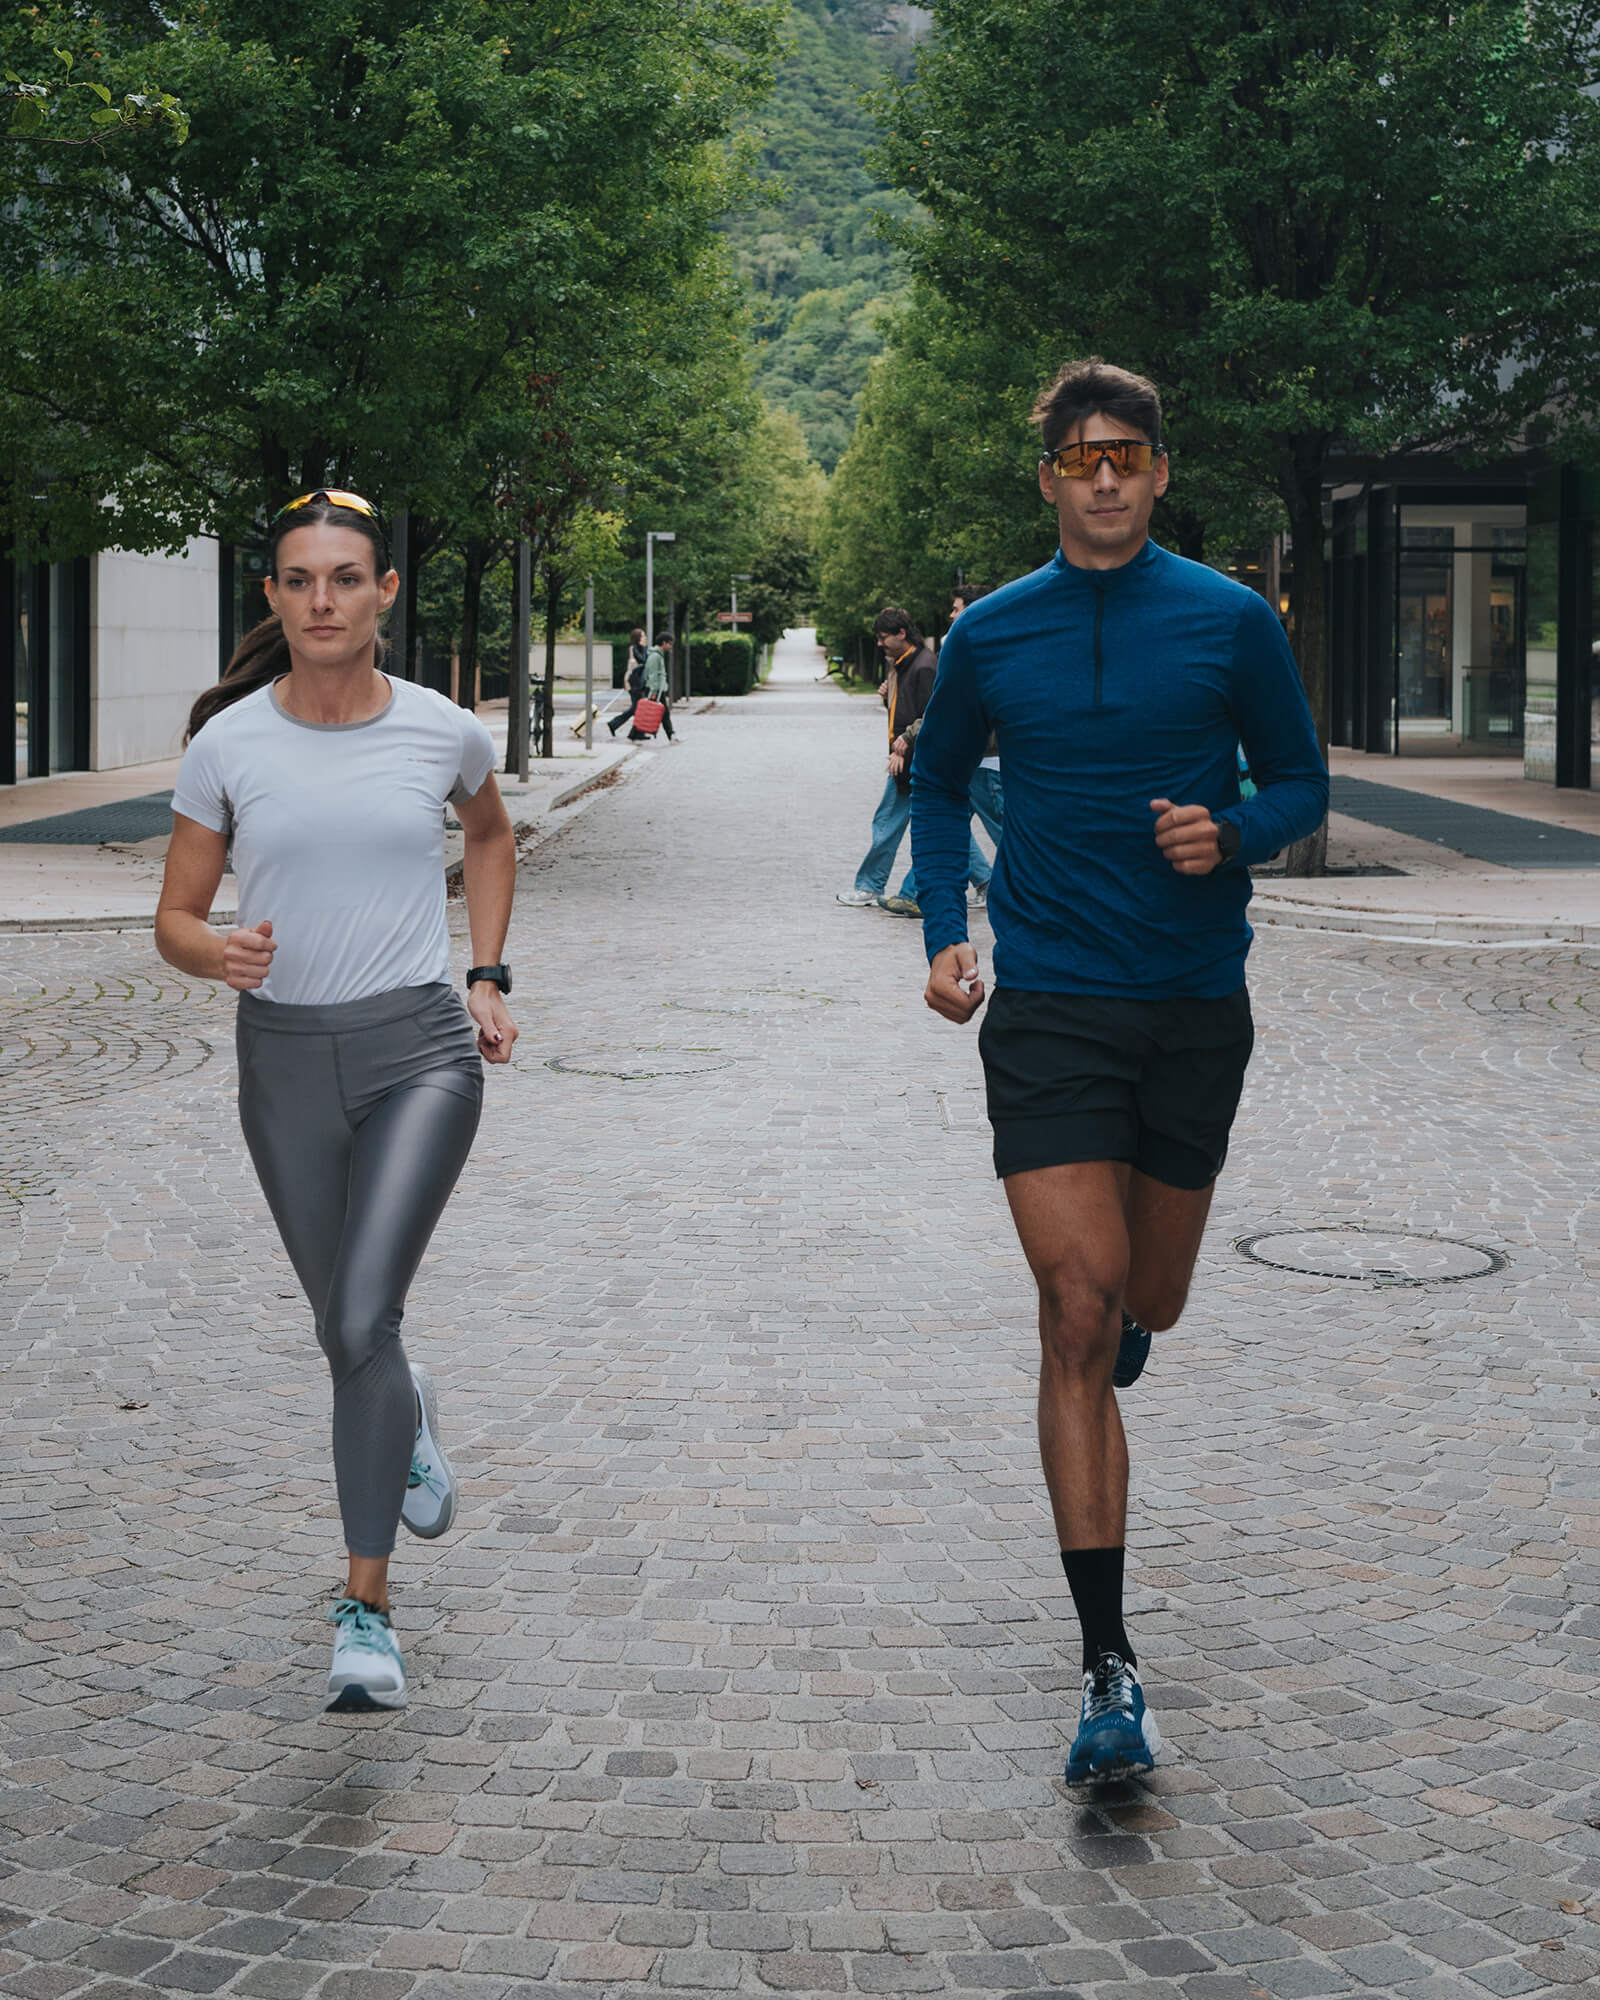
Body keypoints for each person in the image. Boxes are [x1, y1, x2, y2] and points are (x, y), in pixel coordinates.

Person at [910, 360, 1326, 1784]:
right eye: (1079, 456)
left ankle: (1138, 1320)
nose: (1103, 477)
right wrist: (945, 931)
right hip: (1052, 1010)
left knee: (1151, 1296)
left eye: (1128, 455)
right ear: (1048, 478)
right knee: (1076, 1313)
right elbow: (938, 775)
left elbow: (1301, 781)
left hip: (1194, 1008)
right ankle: (1110, 1668)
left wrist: (1238, 833)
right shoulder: (995, 634)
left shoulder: (1229, 619)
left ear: (1158, 473)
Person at [155, 490, 519, 1714]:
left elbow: (490, 835)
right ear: (272, 596)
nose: (322, 600)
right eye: (300, 580)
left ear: (383, 594)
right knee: (347, 1331)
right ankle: (404, 1407)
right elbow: (173, 915)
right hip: (284, 1061)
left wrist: (486, 971)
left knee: (362, 1309)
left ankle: (365, 1609)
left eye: (345, 578)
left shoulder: (440, 729)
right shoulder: (228, 748)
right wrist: (216, 954)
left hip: (420, 1047)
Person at [836, 607, 987, 915]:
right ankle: (987, 882)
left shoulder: (923, 667)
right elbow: (908, 709)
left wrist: (902, 745)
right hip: (911, 761)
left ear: (901, 634)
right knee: (943, 827)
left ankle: (869, 886)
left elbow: (932, 714)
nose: (880, 644)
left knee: (888, 823)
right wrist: (886, 696)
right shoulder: (906, 665)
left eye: (883, 638)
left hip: (914, 762)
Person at [631, 632, 677, 742]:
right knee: (652, 712)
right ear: (664, 643)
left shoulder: (658, 655)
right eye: (669, 644)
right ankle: (671, 736)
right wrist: (653, 691)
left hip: (657, 689)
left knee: (658, 712)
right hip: (654, 689)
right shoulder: (655, 656)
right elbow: (652, 674)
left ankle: (671, 735)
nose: (670, 646)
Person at [608, 627, 649, 736]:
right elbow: (643, 660)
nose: (645, 637)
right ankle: (616, 724)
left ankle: (636, 732)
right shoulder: (634, 648)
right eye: (643, 635)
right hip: (634, 682)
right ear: (638, 638)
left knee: (637, 707)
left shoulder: (639, 648)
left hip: (638, 682)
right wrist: (645, 648)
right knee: (637, 707)